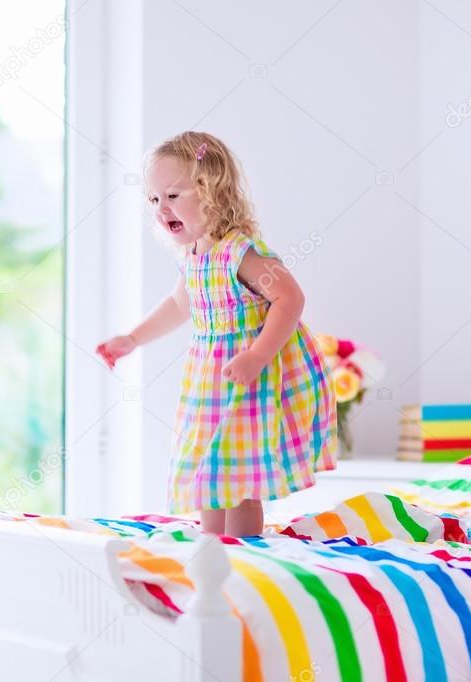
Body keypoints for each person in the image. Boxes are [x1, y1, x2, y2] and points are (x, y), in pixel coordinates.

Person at [96, 131, 337, 537]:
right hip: (209, 383)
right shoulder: (193, 256)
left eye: (173, 195)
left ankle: (244, 553)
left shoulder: (238, 252)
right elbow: (178, 305)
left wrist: (257, 355)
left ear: (212, 191)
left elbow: (290, 298)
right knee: (209, 475)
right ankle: (212, 549)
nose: (161, 208)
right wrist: (132, 339)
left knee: (239, 482)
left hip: (248, 379)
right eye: (154, 200)